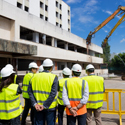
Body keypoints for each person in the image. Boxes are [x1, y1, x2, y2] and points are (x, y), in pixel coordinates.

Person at [28, 58, 58, 125]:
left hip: (37, 107)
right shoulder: (54, 77)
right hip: (50, 107)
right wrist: (44, 105)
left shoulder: (34, 77)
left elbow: (30, 92)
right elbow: (53, 94)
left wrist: (35, 104)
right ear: (51, 67)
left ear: (43, 67)